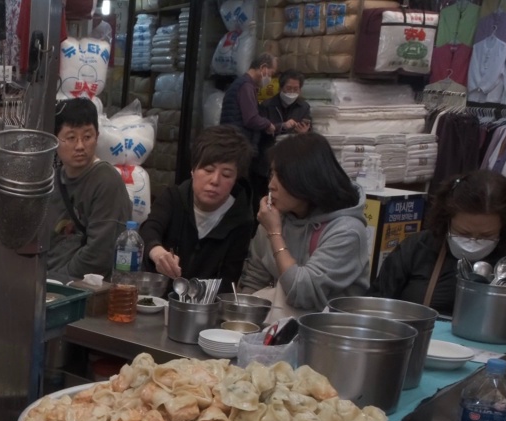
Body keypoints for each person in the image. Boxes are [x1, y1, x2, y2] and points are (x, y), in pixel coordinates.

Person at [372, 170, 506, 322]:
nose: (473, 242)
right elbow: (376, 305)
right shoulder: (417, 248)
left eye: (486, 235)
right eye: (463, 233)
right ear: (446, 221)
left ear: (505, 228)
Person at [239, 132, 370, 312]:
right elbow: (254, 278)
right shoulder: (277, 217)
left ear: (306, 179)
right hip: (280, 329)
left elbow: (303, 293)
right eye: (272, 175)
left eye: (281, 177)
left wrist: (275, 233)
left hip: (329, 332)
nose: (271, 185)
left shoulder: (347, 230)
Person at [141, 125, 256, 287]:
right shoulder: (173, 198)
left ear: (236, 179)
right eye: (208, 170)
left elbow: (229, 280)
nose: (215, 180)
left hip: (205, 306)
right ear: (193, 170)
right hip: (157, 297)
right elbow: (149, 229)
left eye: (226, 174)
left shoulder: (241, 219)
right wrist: (157, 252)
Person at [42, 98, 132, 278]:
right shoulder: (53, 181)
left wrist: (59, 281)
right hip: (51, 282)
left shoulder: (106, 181)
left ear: (97, 137)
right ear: (56, 141)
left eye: (87, 137)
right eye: (71, 138)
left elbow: (99, 254)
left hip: (85, 289)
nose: (80, 146)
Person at [220, 54, 277, 207]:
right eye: (271, 73)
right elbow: (251, 118)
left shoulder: (242, 84)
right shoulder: (246, 85)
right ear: (263, 68)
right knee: (239, 191)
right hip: (238, 145)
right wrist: (268, 125)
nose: (270, 78)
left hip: (233, 142)